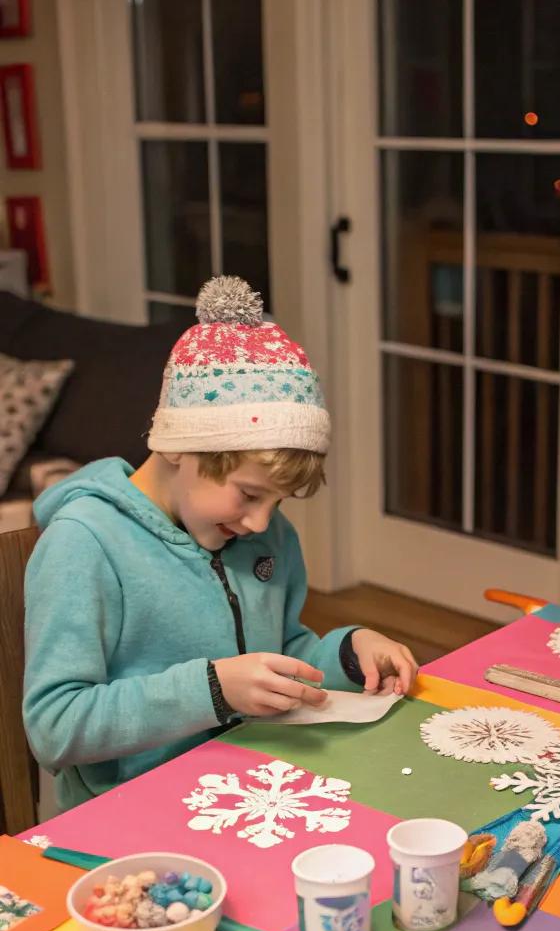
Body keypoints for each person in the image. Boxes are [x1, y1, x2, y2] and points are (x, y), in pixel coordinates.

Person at [24, 275, 417, 811]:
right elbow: (55, 727)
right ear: (178, 449)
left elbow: (279, 656)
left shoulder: (264, 534)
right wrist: (210, 690)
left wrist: (348, 652)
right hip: (126, 813)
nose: (261, 523)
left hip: (251, 781)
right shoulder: (84, 544)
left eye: (276, 503)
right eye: (248, 494)